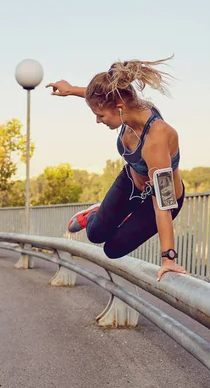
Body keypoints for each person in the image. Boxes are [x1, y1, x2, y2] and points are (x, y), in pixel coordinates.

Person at [46, 55, 187, 282]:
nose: (98, 121)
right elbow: (103, 97)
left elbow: (163, 203)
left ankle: (117, 215)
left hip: (161, 202)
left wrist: (168, 259)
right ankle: (95, 212)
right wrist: (71, 90)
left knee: (112, 249)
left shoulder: (156, 138)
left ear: (119, 108)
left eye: (100, 116)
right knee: (94, 234)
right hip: (130, 182)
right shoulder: (124, 106)